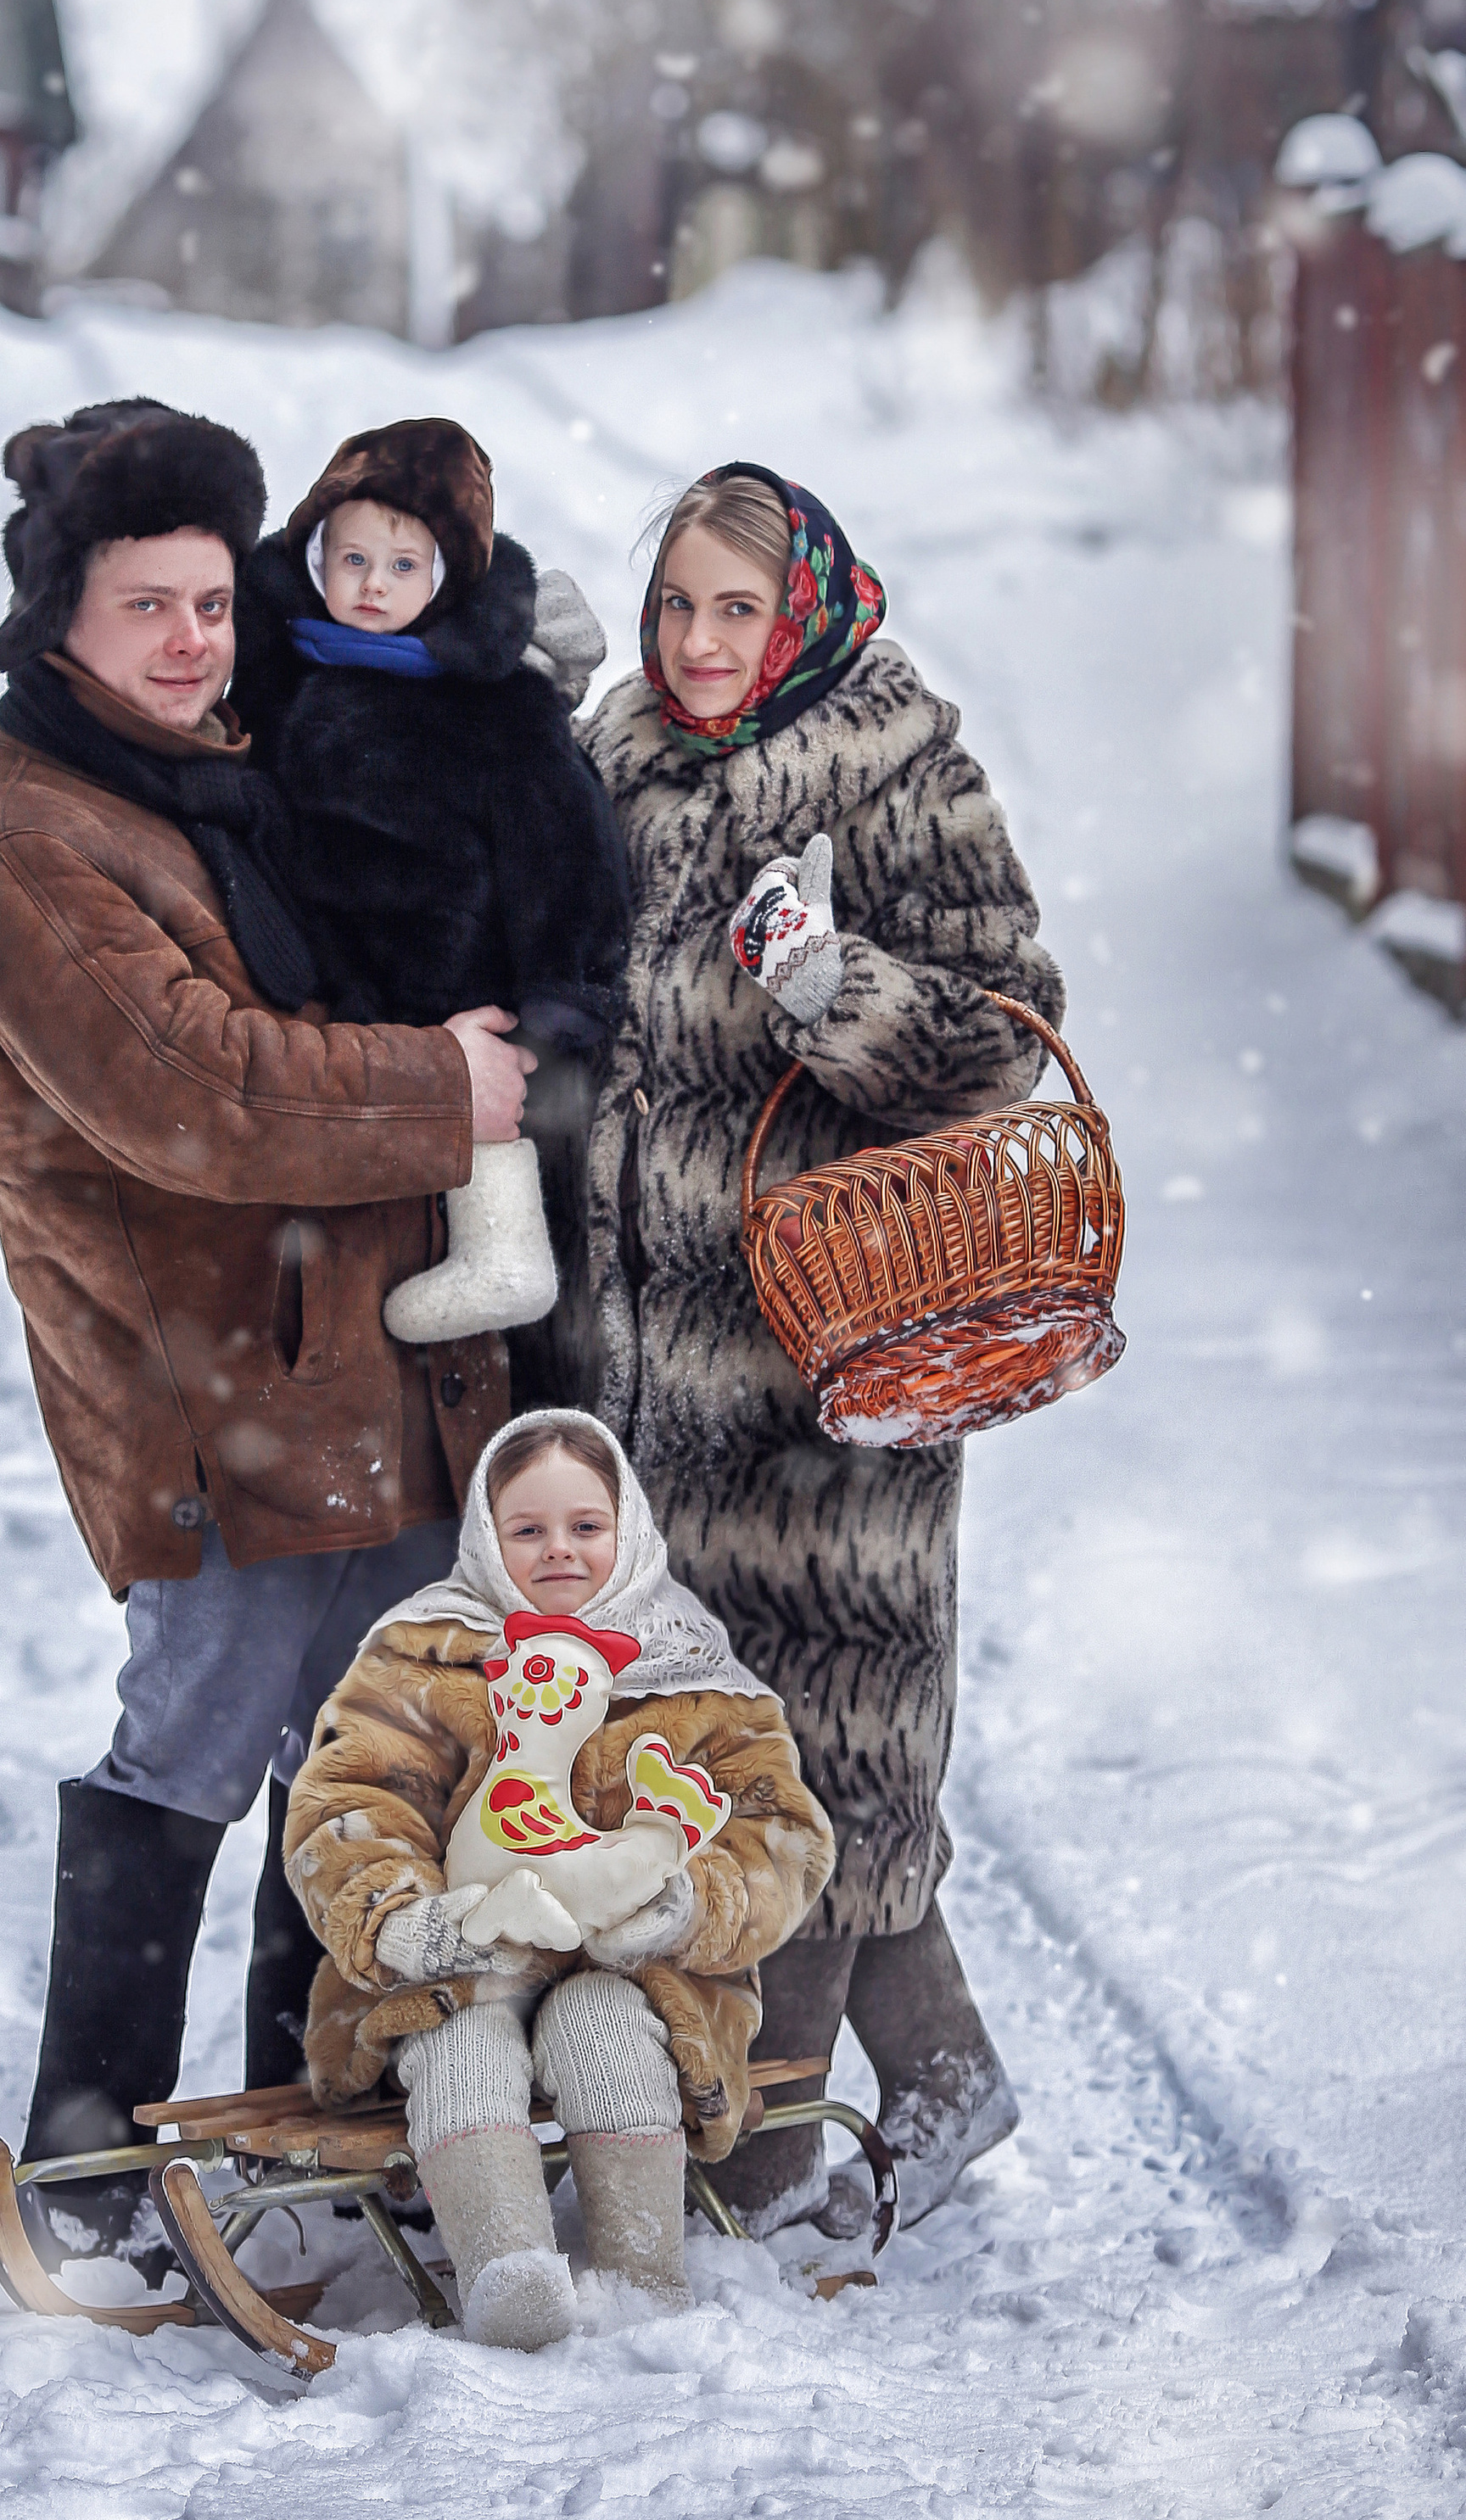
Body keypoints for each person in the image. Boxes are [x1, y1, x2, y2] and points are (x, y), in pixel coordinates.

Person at [0, 399, 538, 2267]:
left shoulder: (221, 761)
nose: (194, 640)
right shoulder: (23, 840)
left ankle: (318, 2095)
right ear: (60, 624)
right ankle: (92, 2145)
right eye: (146, 607)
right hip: (207, 1390)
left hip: (366, 1364)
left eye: (210, 599)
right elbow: (198, 1096)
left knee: (364, 1758)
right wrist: (445, 1088)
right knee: (191, 1740)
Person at [579, 461, 1066, 2238]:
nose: (697, 643)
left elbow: (1005, 1027)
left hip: (828, 1356)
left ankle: (761, 2162)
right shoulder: (617, 760)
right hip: (650, 1358)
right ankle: (935, 2078)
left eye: (733, 609)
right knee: (713, 1744)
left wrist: (827, 984)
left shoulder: (894, 768)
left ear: (803, 617)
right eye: (674, 607)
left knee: (821, 1741)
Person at [283, 1409, 835, 2349]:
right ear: (485, 1538)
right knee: (460, 2038)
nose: (559, 1552)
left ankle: (642, 2279)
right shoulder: (423, 1649)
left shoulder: (695, 1670)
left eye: (586, 1527)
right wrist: (398, 1919)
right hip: (465, 1952)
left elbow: (781, 1833)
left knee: (607, 2030)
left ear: (629, 1530)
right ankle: (509, 2278)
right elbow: (351, 1799)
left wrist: (684, 1908)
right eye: (527, 1530)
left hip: (638, 1971)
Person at [234, 416, 629, 1380]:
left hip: (453, 976)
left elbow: (566, 843)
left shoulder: (492, 702)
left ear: (447, 579)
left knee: (481, 1108)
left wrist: (561, 990)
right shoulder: (280, 659)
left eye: (405, 567)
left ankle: (503, 1253)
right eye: (354, 557)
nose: (373, 586)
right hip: (330, 978)